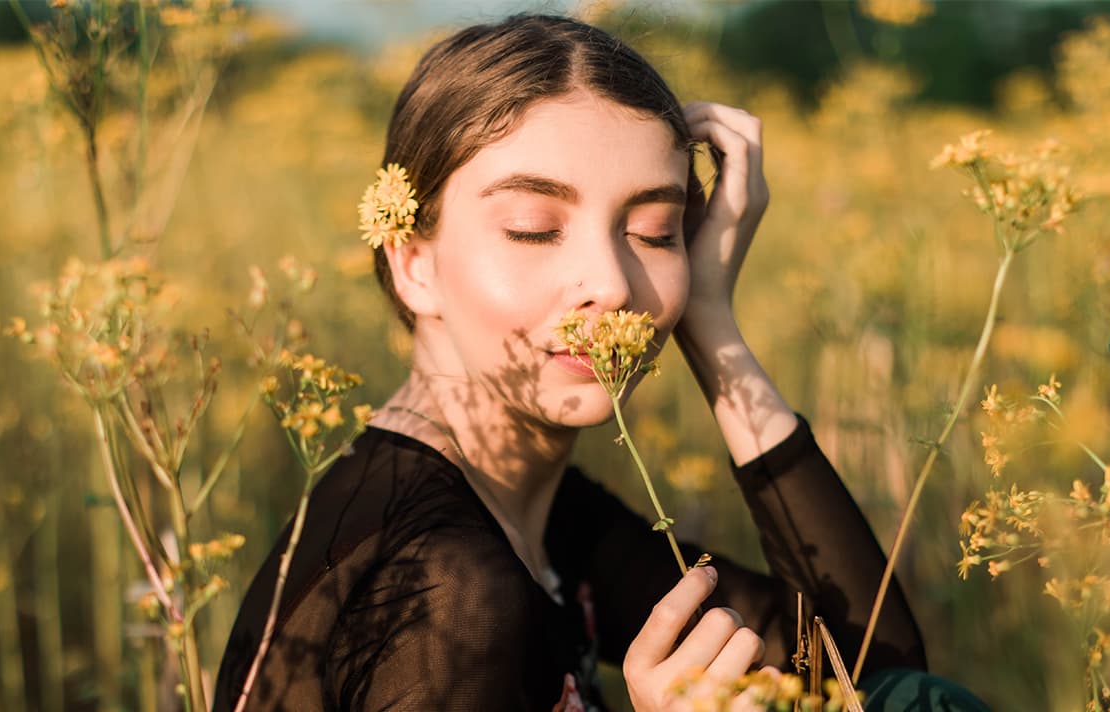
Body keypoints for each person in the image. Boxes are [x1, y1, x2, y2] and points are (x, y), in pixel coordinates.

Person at [213, 13, 976, 711]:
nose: (611, 286)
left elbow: (867, 672)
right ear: (414, 264)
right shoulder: (448, 586)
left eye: (653, 232)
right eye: (534, 227)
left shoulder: (540, 511)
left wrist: (710, 323)